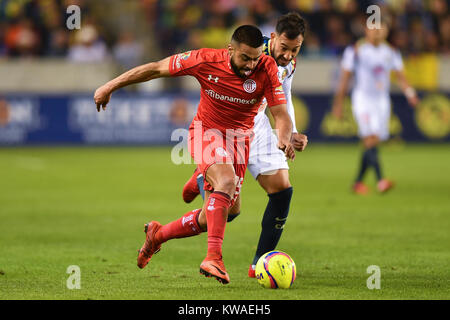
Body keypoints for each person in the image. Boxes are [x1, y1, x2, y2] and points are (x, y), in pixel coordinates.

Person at [93, 25, 295, 285]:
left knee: (225, 213)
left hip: (239, 142)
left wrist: (283, 136)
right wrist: (110, 86)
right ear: (230, 49)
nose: (250, 65)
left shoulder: (266, 67)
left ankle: (158, 234)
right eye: (245, 58)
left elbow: (280, 114)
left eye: (255, 58)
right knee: (225, 182)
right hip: (205, 132)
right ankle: (213, 258)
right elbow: (155, 68)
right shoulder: (205, 60)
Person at [181, 12, 309, 278]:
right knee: (224, 211)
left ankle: (260, 263)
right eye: (284, 48)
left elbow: (285, 95)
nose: (287, 55)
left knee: (282, 190)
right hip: (232, 126)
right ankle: (206, 173)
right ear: (272, 38)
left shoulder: (290, 64)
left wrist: (291, 132)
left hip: (260, 124)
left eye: (295, 50)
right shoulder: (250, 50)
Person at [332, 20, 419, 194]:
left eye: (381, 28)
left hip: (381, 101)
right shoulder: (356, 50)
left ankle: (357, 182)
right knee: (370, 138)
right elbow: (344, 79)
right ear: (366, 31)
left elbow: (401, 76)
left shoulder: (391, 52)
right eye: (374, 29)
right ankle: (381, 180)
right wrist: (338, 104)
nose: (378, 32)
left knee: (372, 141)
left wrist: (410, 94)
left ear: (386, 31)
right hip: (362, 99)